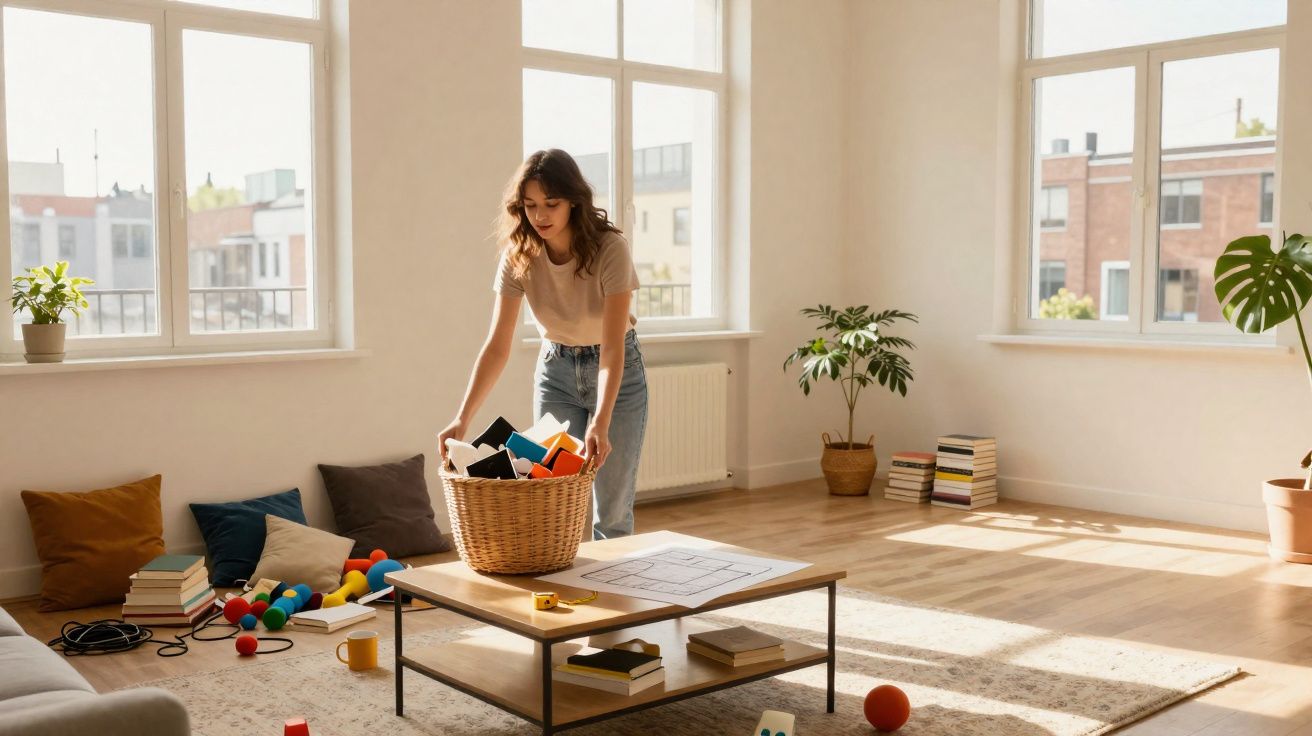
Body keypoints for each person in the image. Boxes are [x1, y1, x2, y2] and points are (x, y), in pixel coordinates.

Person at [438, 149, 649, 540]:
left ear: (574, 201)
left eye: (551, 203)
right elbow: (497, 345)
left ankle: (615, 579)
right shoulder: (519, 255)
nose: (540, 215)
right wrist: (462, 418)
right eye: (530, 205)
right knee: (551, 498)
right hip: (557, 372)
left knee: (612, 509)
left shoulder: (610, 249)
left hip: (617, 373)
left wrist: (601, 422)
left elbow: (612, 348)